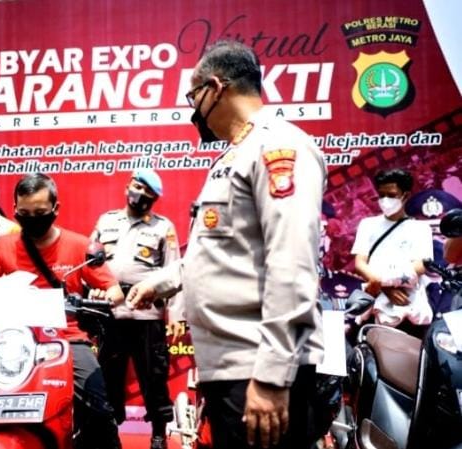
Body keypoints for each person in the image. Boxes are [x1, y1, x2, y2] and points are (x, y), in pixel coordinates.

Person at [127, 41, 326, 449]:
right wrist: (159, 283)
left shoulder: (277, 147)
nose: (193, 111)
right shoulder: (236, 155)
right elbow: (217, 253)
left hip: (259, 369)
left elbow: (291, 265)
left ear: (216, 88)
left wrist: (272, 378)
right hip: (231, 368)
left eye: (193, 97)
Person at [0, 173, 124, 449]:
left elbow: (115, 291)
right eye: (25, 213)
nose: (32, 219)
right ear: (15, 209)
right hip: (7, 342)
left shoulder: (78, 245)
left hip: (66, 339)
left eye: (40, 213)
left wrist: (103, 296)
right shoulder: (4, 246)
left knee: (98, 408)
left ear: (56, 209)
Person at [90, 169, 184, 449]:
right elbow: (91, 262)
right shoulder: (106, 221)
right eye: (137, 187)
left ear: (155, 198)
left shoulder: (162, 227)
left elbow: (175, 270)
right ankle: (111, 434)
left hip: (147, 315)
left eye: (148, 192)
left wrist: (176, 315)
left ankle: (158, 434)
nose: (141, 194)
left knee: (154, 377)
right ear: (127, 187)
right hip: (111, 312)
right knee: (109, 377)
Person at [351, 169, 433, 331]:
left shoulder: (421, 228)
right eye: (381, 195)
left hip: (410, 307)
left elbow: (420, 266)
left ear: (405, 196)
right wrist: (385, 289)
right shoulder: (367, 225)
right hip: (373, 306)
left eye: (391, 195)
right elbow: (360, 263)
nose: (385, 200)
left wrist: (379, 281)